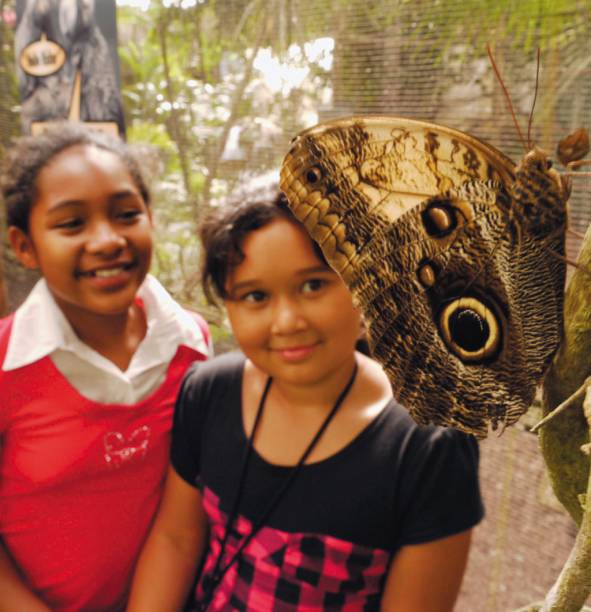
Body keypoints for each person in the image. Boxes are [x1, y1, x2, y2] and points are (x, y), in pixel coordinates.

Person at [128, 193, 483, 611]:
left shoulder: (426, 445)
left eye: (313, 285)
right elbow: (176, 539)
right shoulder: (207, 391)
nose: (287, 322)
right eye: (255, 296)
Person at [0, 123, 211, 611]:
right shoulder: (7, 363)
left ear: (151, 219)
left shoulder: (191, 345)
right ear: (25, 245)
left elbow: (189, 512)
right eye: (71, 224)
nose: (107, 240)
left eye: (126, 214)